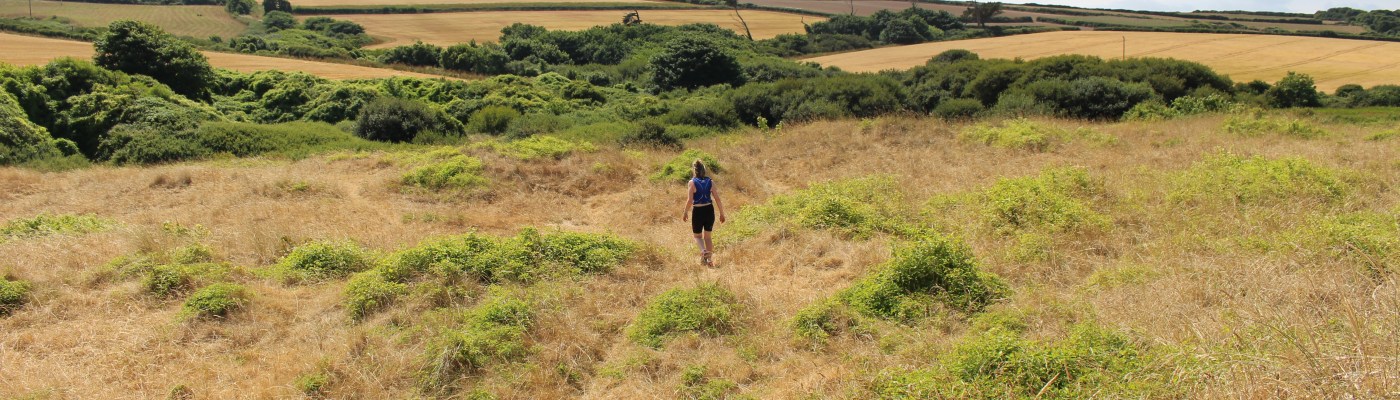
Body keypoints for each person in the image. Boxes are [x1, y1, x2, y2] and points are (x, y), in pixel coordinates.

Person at [682, 159, 725, 267]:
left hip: (698, 211)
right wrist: (722, 213)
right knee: (708, 237)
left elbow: (690, 200)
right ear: (704, 170)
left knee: (697, 236)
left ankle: (703, 251)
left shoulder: (692, 182)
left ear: (694, 170)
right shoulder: (710, 181)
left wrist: (685, 212)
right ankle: (709, 260)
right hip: (709, 210)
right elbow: (717, 198)